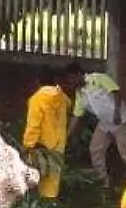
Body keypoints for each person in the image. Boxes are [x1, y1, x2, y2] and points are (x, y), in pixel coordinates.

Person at [23, 63, 84, 199]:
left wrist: (28, 145)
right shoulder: (61, 96)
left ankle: (40, 201)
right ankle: (51, 200)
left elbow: (33, 125)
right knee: (53, 175)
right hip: (59, 143)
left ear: (38, 81)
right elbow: (69, 106)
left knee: (39, 173)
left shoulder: (37, 99)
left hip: (41, 144)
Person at [70, 71, 126, 189]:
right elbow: (77, 116)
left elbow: (116, 92)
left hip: (119, 121)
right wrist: (68, 135)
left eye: (71, 79)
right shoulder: (80, 94)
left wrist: (117, 112)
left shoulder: (98, 78)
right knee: (95, 149)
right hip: (104, 124)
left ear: (78, 75)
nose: (71, 83)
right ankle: (102, 183)